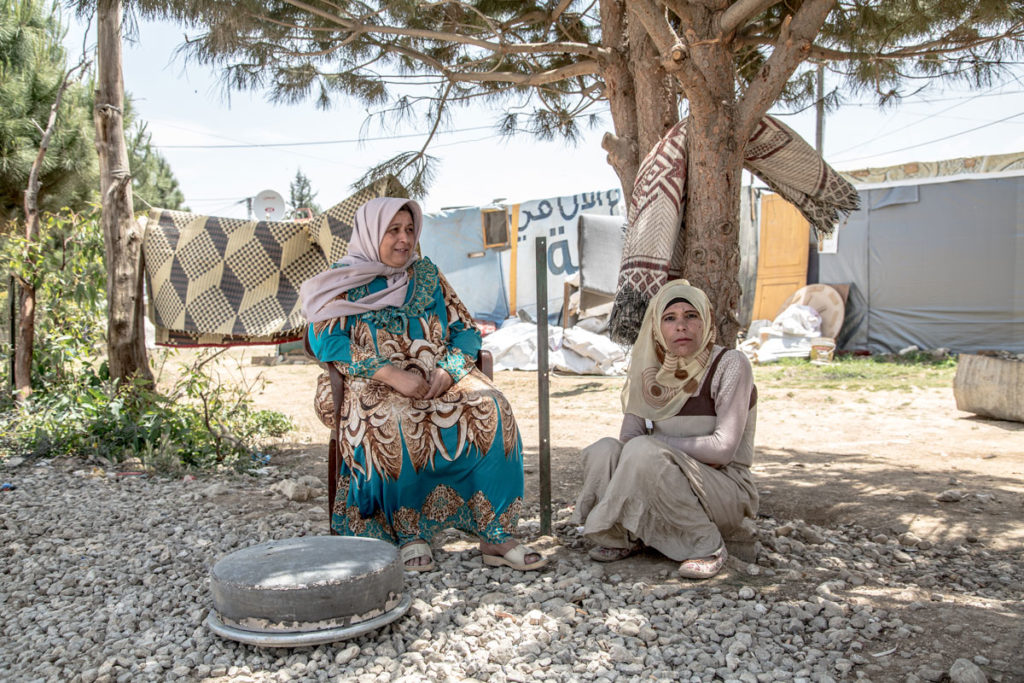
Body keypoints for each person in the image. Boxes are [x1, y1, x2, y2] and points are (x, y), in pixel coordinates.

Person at [300, 197, 546, 572]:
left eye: (410, 230)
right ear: (370, 233)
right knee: (394, 419)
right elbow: (326, 341)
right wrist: (390, 374)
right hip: (374, 380)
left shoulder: (426, 275)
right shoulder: (343, 282)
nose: (404, 240)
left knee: (492, 406)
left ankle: (495, 533)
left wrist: (447, 370)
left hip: (436, 375)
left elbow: (464, 329)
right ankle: (407, 533)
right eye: (393, 230)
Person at [572, 279, 757, 579]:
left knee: (645, 450)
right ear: (657, 327)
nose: (680, 326)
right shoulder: (649, 371)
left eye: (690, 316)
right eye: (669, 319)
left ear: (705, 320)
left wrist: (659, 447)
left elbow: (723, 450)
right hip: (665, 478)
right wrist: (655, 450)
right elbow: (628, 440)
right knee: (604, 450)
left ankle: (706, 544)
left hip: (723, 490)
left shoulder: (730, 364)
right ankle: (620, 536)